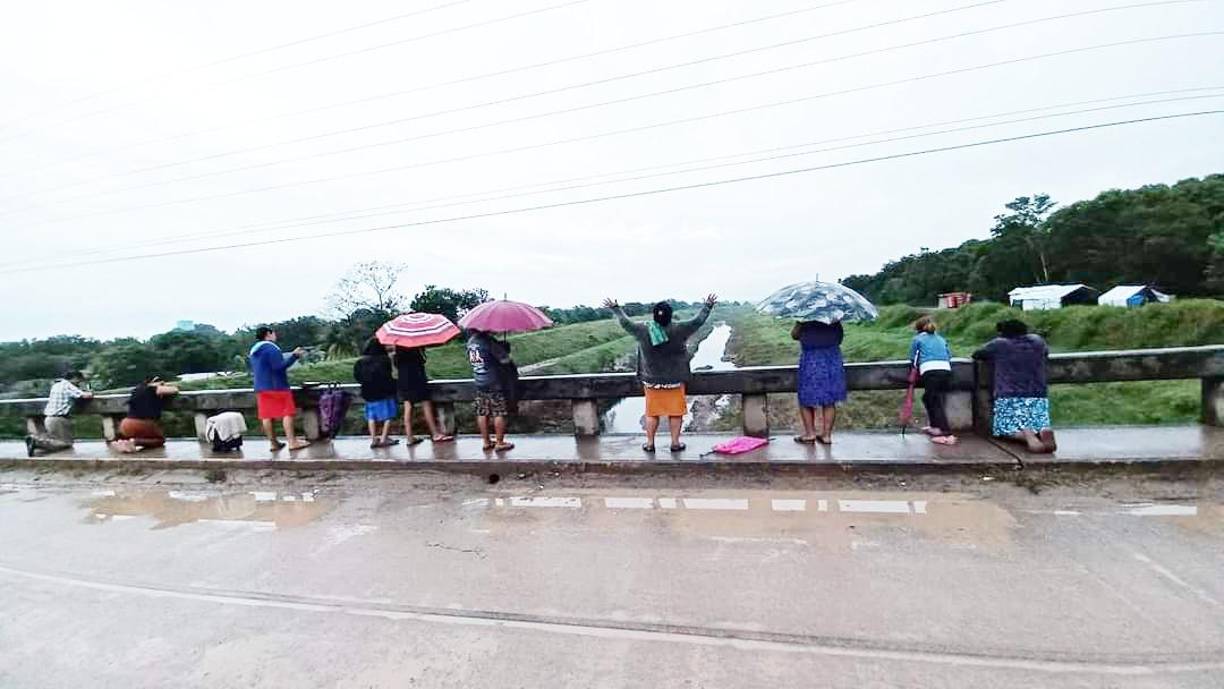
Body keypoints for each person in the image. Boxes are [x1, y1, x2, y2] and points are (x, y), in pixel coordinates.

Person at [603, 294, 717, 453]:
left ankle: (650, 444)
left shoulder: (642, 330)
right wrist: (708, 306)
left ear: (654, 315)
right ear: (671, 315)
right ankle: (675, 443)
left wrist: (616, 309)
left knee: (652, 414)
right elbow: (698, 321)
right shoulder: (680, 329)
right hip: (675, 381)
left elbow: (625, 323)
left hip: (652, 381)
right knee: (675, 413)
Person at [973, 319, 1057, 453]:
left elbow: (977, 354)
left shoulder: (1000, 344)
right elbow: (1046, 352)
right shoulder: (1037, 341)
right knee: (1038, 423)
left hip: (1009, 395)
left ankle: (1026, 436)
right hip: (1038, 394)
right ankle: (1043, 431)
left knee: (1004, 430)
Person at [249, 327, 309, 452]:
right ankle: (292, 442)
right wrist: (294, 356)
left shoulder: (254, 350)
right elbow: (278, 367)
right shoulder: (271, 348)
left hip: (261, 387)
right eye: (273, 333)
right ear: (268, 334)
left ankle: (273, 443)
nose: (275, 335)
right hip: (277, 386)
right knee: (287, 413)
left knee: (267, 415)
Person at [792, 320, 847, 445]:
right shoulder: (834, 319)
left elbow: (794, 335)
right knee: (829, 399)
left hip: (811, 359)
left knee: (805, 398)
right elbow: (840, 338)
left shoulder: (805, 318)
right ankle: (826, 435)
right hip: (832, 360)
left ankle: (810, 433)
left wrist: (799, 324)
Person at [909, 316, 958, 445]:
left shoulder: (917, 339)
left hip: (930, 371)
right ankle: (935, 427)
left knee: (935, 401)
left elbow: (913, 358)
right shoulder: (941, 339)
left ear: (918, 329)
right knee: (928, 398)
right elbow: (949, 355)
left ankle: (947, 435)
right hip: (945, 369)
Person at [466, 330, 515, 452]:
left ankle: (486, 442)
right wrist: (504, 349)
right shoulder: (489, 342)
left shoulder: (470, 342)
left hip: (480, 381)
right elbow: (505, 361)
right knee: (498, 412)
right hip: (494, 382)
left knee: (483, 412)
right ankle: (499, 442)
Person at [25, 371, 93, 457]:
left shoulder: (56, 385)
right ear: (75, 378)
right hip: (59, 419)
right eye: (79, 380)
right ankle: (37, 442)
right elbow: (85, 396)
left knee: (56, 440)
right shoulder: (67, 385)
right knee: (65, 443)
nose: (79, 382)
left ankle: (38, 443)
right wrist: (90, 392)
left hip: (49, 418)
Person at [395, 346, 453, 444]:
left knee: (408, 408)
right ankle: (435, 433)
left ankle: (409, 437)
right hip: (418, 379)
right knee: (426, 405)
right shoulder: (415, 351)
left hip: (403, 381)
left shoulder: (397, 355)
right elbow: (421, 362)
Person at [354, 338, 401, 449]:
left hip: (368, 392)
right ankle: (384, 438)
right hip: (384, 392)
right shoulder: (384, 360)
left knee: (371, 416)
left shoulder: (360, 362)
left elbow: (357, 377)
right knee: (389, 415)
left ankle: (374, 439)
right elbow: (388, 376)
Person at [114, 376, 179, 453]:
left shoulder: (136, 390)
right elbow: (173, 390)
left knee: (141, 436)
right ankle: (135, 441)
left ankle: (126, 442)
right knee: (160, 440)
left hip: (126, 423)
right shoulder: (151, 389)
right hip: (143, 423)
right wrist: (170, 387)